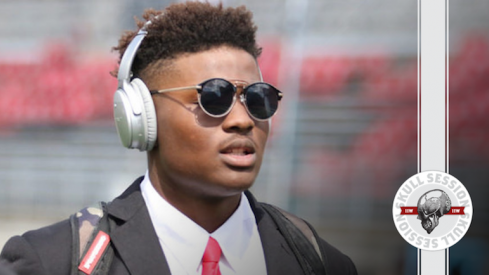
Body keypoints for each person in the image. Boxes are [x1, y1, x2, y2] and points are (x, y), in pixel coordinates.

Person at [0, 2, 357, 274]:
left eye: (257, 98)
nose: (242, 120)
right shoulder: (49, 261)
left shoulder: (322, 261)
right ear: (141, 115)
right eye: (214, 98)